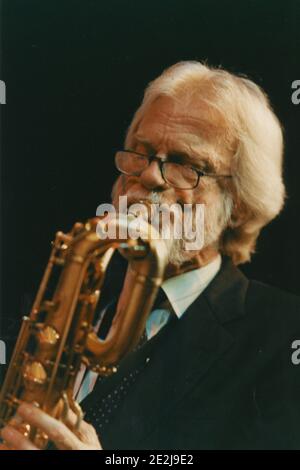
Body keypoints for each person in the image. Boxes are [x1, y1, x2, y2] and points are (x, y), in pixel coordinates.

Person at [1, 61, 300, 450]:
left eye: (183, 163)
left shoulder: (283, 337)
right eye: (140, 153)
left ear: (240, 203)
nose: (150, 177)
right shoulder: (60, 300)